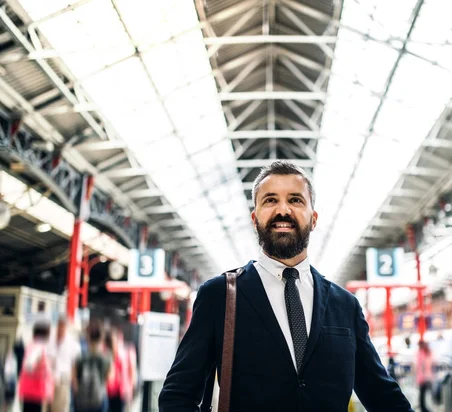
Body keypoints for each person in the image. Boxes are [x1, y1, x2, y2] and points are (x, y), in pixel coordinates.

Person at [159, 160, 413, 411]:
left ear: (313, 219)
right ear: (254, 217)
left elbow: (382, 395)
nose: (283, 210)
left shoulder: (345, 305)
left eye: (295, 200)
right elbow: (178, 394)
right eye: (270, 200)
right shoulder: (219, 296)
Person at [73, 321, 111, 412]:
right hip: (99, 399)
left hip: (81, 401)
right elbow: (109, 378)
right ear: (101, 337)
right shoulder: (106, 357)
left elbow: (74, 379)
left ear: (88, 338)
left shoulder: (80, 356)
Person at [18, 320, 54, 412]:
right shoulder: (39, 347)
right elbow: (29, 366)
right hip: (36, 393)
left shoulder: (31, 345)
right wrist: (39, 370)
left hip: (28, 391)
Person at [50, 316, 81, 412]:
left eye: (63, 326)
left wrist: (75, 384)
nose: (60, 329)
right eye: (59, 325)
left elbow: (75, 366)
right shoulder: (50, 340)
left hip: (63, 382)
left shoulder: (73, 344)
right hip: (48, 381)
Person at [415, 340, 433, 412]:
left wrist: (421, 377)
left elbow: (422, 366)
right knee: (425, 395)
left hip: (423, 377)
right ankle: (425, 408)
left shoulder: (421, 353)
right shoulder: (427, 353)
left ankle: (424, 409)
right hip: (427, 377)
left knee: (422, 396)